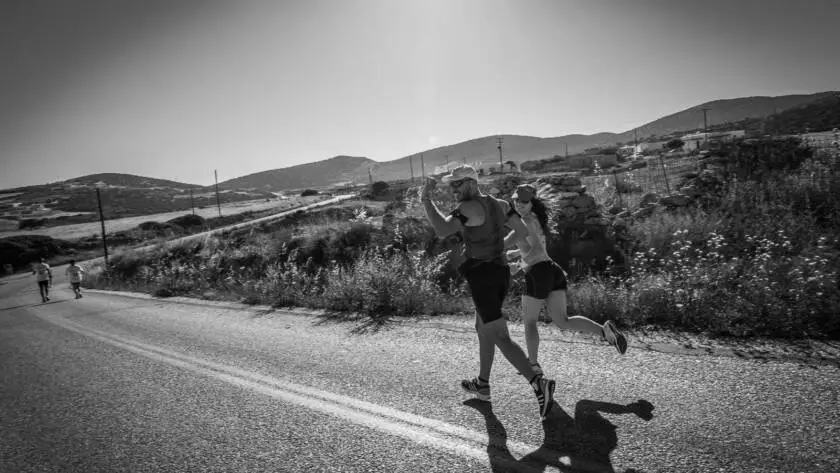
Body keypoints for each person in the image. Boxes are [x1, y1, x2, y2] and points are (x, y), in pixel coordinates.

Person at [420, 165, 556, 420]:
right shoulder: (502, 204)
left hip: (483, 276)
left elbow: (442, 229)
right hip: (500, 272)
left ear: (467, 184)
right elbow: (522, 232)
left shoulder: (468, 208)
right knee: (483, 329)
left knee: (500, 335)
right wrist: (499, 247)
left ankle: (539, 383)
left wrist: (425, 199)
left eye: (455, 185)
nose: (452, 189)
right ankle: (482, 384)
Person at [506, 184, 628, 376]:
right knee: (563, 321)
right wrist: (515, 253)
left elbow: (536, 251)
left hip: (538, 273)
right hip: (553, 271)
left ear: (531, 203)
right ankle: (605, 331)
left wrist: (518, 266)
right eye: (517, 200)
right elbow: (535, 247)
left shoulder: (526, 222)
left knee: (529, 321)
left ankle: (533, 365)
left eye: (524, 201)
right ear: (513, 200)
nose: (520, 205)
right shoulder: (534, 219)